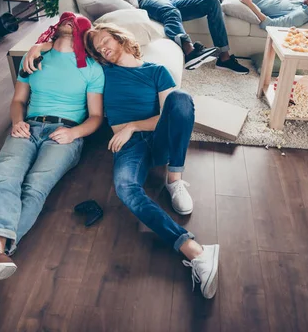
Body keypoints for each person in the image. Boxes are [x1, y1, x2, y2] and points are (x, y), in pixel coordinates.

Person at [22, 23, 220, 299]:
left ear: (120, 38)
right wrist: (39, 44)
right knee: (125, 188)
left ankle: (174, 179)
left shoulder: (156, 71)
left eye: (105, 40)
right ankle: (196, 251)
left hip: (155, 138)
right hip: (128, 147)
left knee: (181, 98)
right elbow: (70, 34)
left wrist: (132, 126)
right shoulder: (103, 71)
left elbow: (170, 114)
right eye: (98, 47)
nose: (102, 47)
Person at [0, 13, 105, 286]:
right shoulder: (33, 59)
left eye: (77, 21)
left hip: (66, 133)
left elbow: (95, 117)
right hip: (28, 126)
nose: (70, 20)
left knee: (35, 186)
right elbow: (18, 100)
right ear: (55, 29)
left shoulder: (91, 68)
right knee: (6, 177)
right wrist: (18, 121)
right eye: (66, 19)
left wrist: (74, 133)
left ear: (83, 32)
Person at [119, 0, 249, 75]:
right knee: (171, 10)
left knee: (213, 3)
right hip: (150, 2)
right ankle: (190, 52)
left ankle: (224, 58)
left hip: (172, 1)